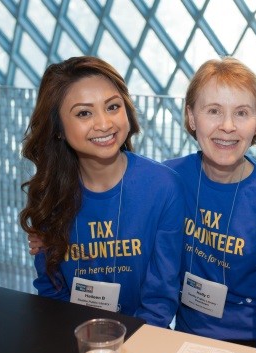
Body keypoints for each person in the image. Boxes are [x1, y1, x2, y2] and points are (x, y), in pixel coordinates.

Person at [19, 56, 185, 328]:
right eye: (84, 113)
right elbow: (51, 290)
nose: (105, 124)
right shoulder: (49, 192)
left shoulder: (163, 187)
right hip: (72, 336)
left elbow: (161, 296)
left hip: (144, 337)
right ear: (58, 128)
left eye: (112, 107)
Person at [163, 57, 256, 353]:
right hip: (186, 343)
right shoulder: (168, 181)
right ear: (191, 117)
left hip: (254, 346)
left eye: (241, 113)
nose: (227, 126)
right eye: (213, 111)